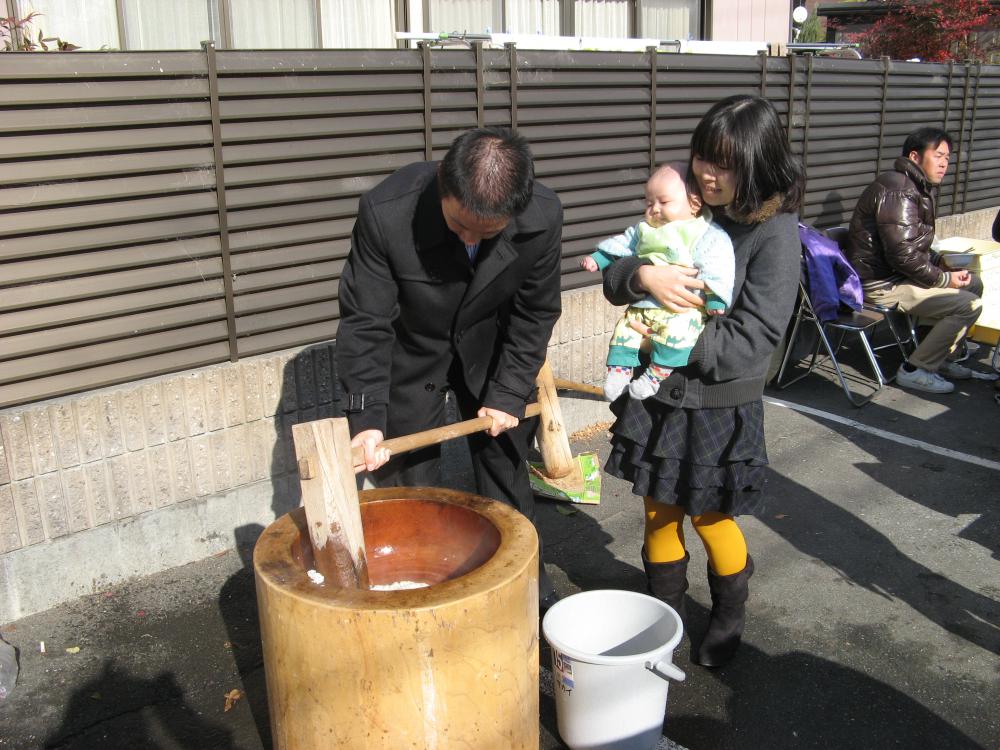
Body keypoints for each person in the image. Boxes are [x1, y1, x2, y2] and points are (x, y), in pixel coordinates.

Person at [601, 94, 805, 668]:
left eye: (725, 164)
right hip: (659, 394)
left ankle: (729, 609)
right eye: (702, 158)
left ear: (757, 165)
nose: (708, 175)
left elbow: (755, 337)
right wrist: (643, 276)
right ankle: (663, 619)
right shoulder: (681, 201)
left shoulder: (774, 233)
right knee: (657, 509)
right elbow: (619, 269)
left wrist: (665, 341)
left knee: (710, 516)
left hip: (719, 401)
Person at [335, 126, 563, 608]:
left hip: (493, 347)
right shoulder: (386, 211)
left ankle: (524, 587)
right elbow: (366, 321)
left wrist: (508, 390)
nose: (469, 239)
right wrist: (366, 417)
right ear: (443, 181)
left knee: (505, 470)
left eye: (487, 233)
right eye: (459, 226)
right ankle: (432, 593)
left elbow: (534, 313)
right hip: (413, 349)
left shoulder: (542, 216)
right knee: (412, 482)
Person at [580, 163, 734, 402]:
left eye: (664, 202)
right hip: (645, 305)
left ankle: (654, 376)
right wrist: (599, 258)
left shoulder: (704, 232)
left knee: (679, 334)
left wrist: (715, 297)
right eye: (649, 203)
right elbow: (621, 244)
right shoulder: (643, 230)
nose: (654, 209)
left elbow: (717, 266)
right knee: (625, 329)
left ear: (694, 203)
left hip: (682, 309)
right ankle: (618, 372)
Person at [847, 127, 983, 394]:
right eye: (938, 155)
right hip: (882, 283)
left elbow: (912, 245)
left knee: (973, 284)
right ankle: (915, 369)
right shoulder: (899, 189)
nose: (944, 163)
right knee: (968, 305)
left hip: (897, 274)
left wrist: (940, 262)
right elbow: (901, 253)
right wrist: (943, 279)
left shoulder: (913, 187)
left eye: (947, 158)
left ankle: (939, 358)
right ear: (915, 156)